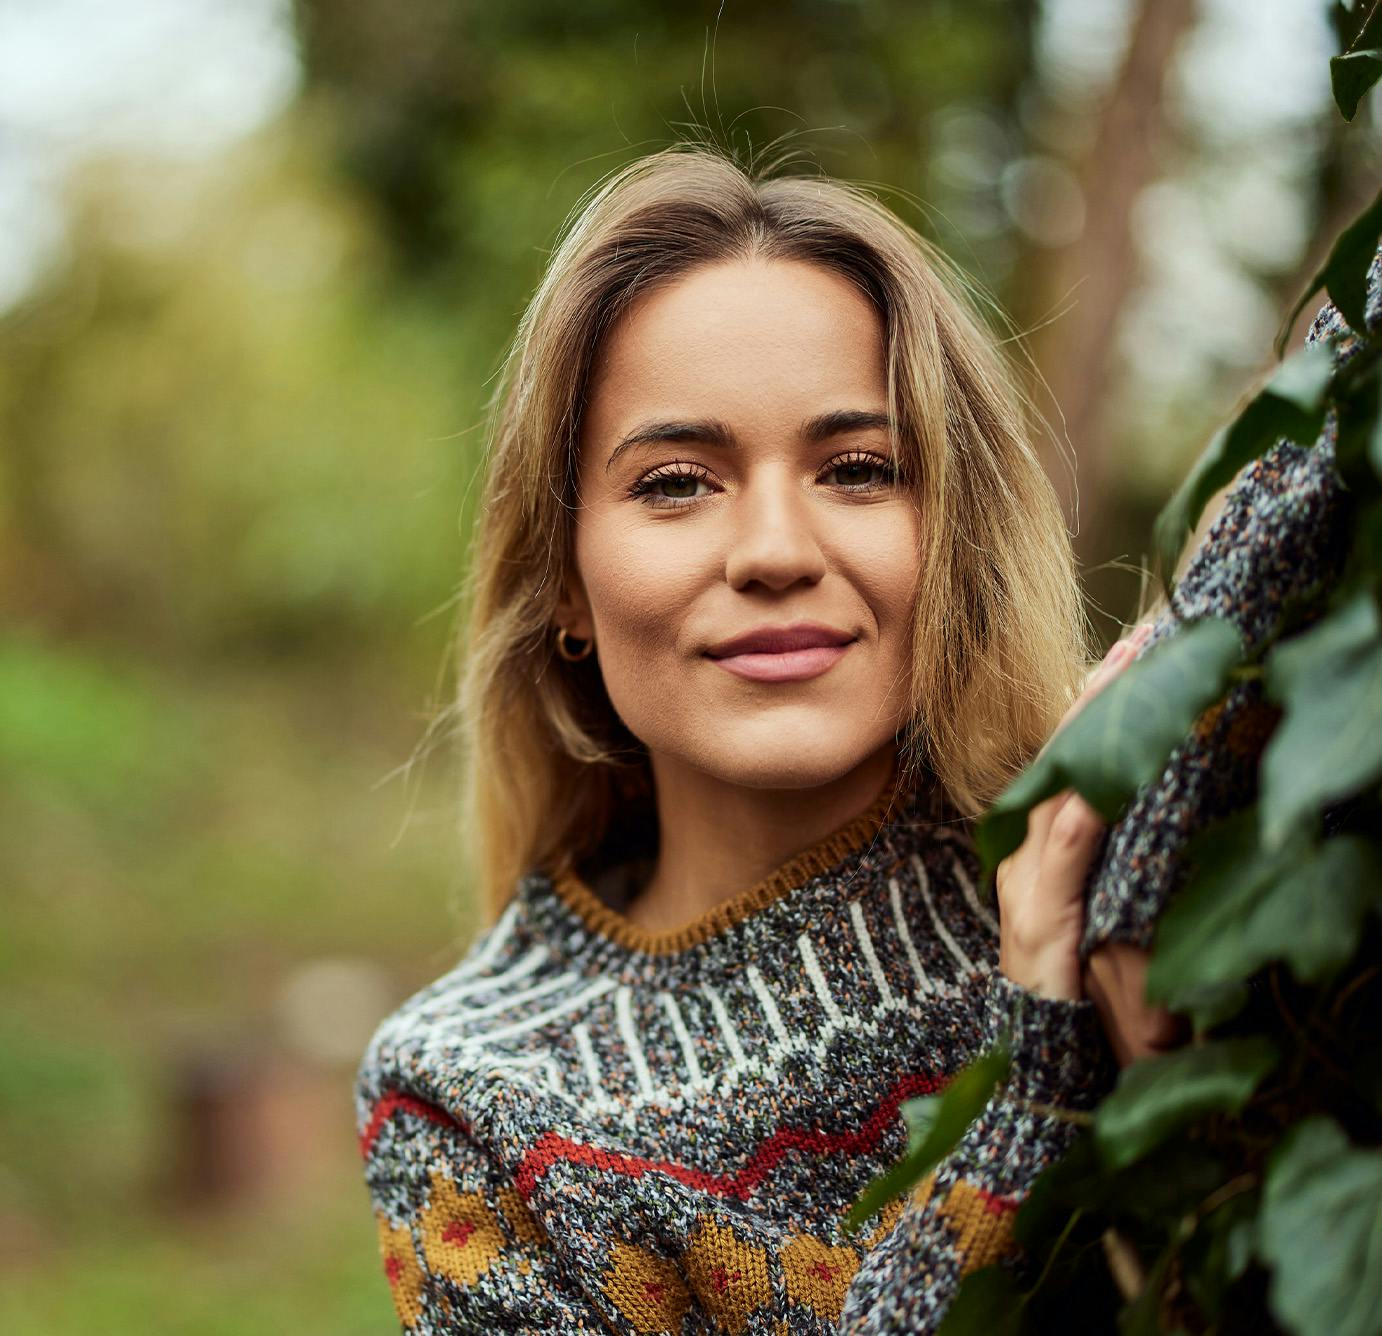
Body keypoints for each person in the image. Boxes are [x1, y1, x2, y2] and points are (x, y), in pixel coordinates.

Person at [354, 143, 1166, 1335]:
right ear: (564, 579)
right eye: (676, 482)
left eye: (857, 469)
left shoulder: (1140, 889)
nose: (775, 551)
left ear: (953, 533)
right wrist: (1038, 1077)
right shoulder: (470, 1103)